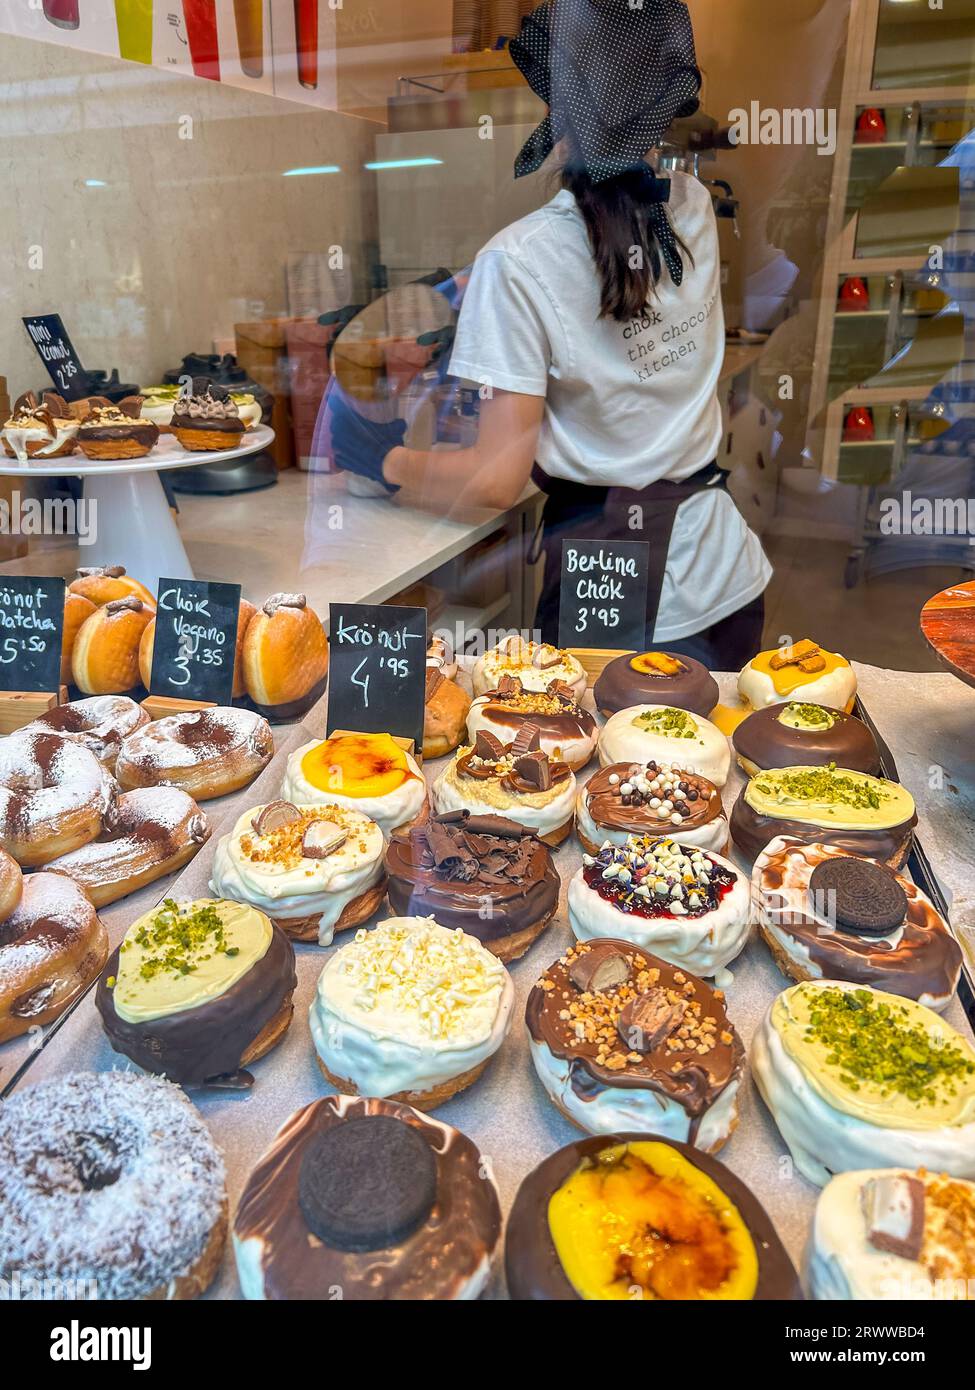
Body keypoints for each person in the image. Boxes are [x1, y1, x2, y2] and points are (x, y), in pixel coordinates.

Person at [331, 0, 771, 669]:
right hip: (726, 577)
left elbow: (491, 482)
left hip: (619, 589)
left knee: (585, 768)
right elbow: (613, 297)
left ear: (553, 103)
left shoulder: (520, 256)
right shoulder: (692, 208)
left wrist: (382, 461)